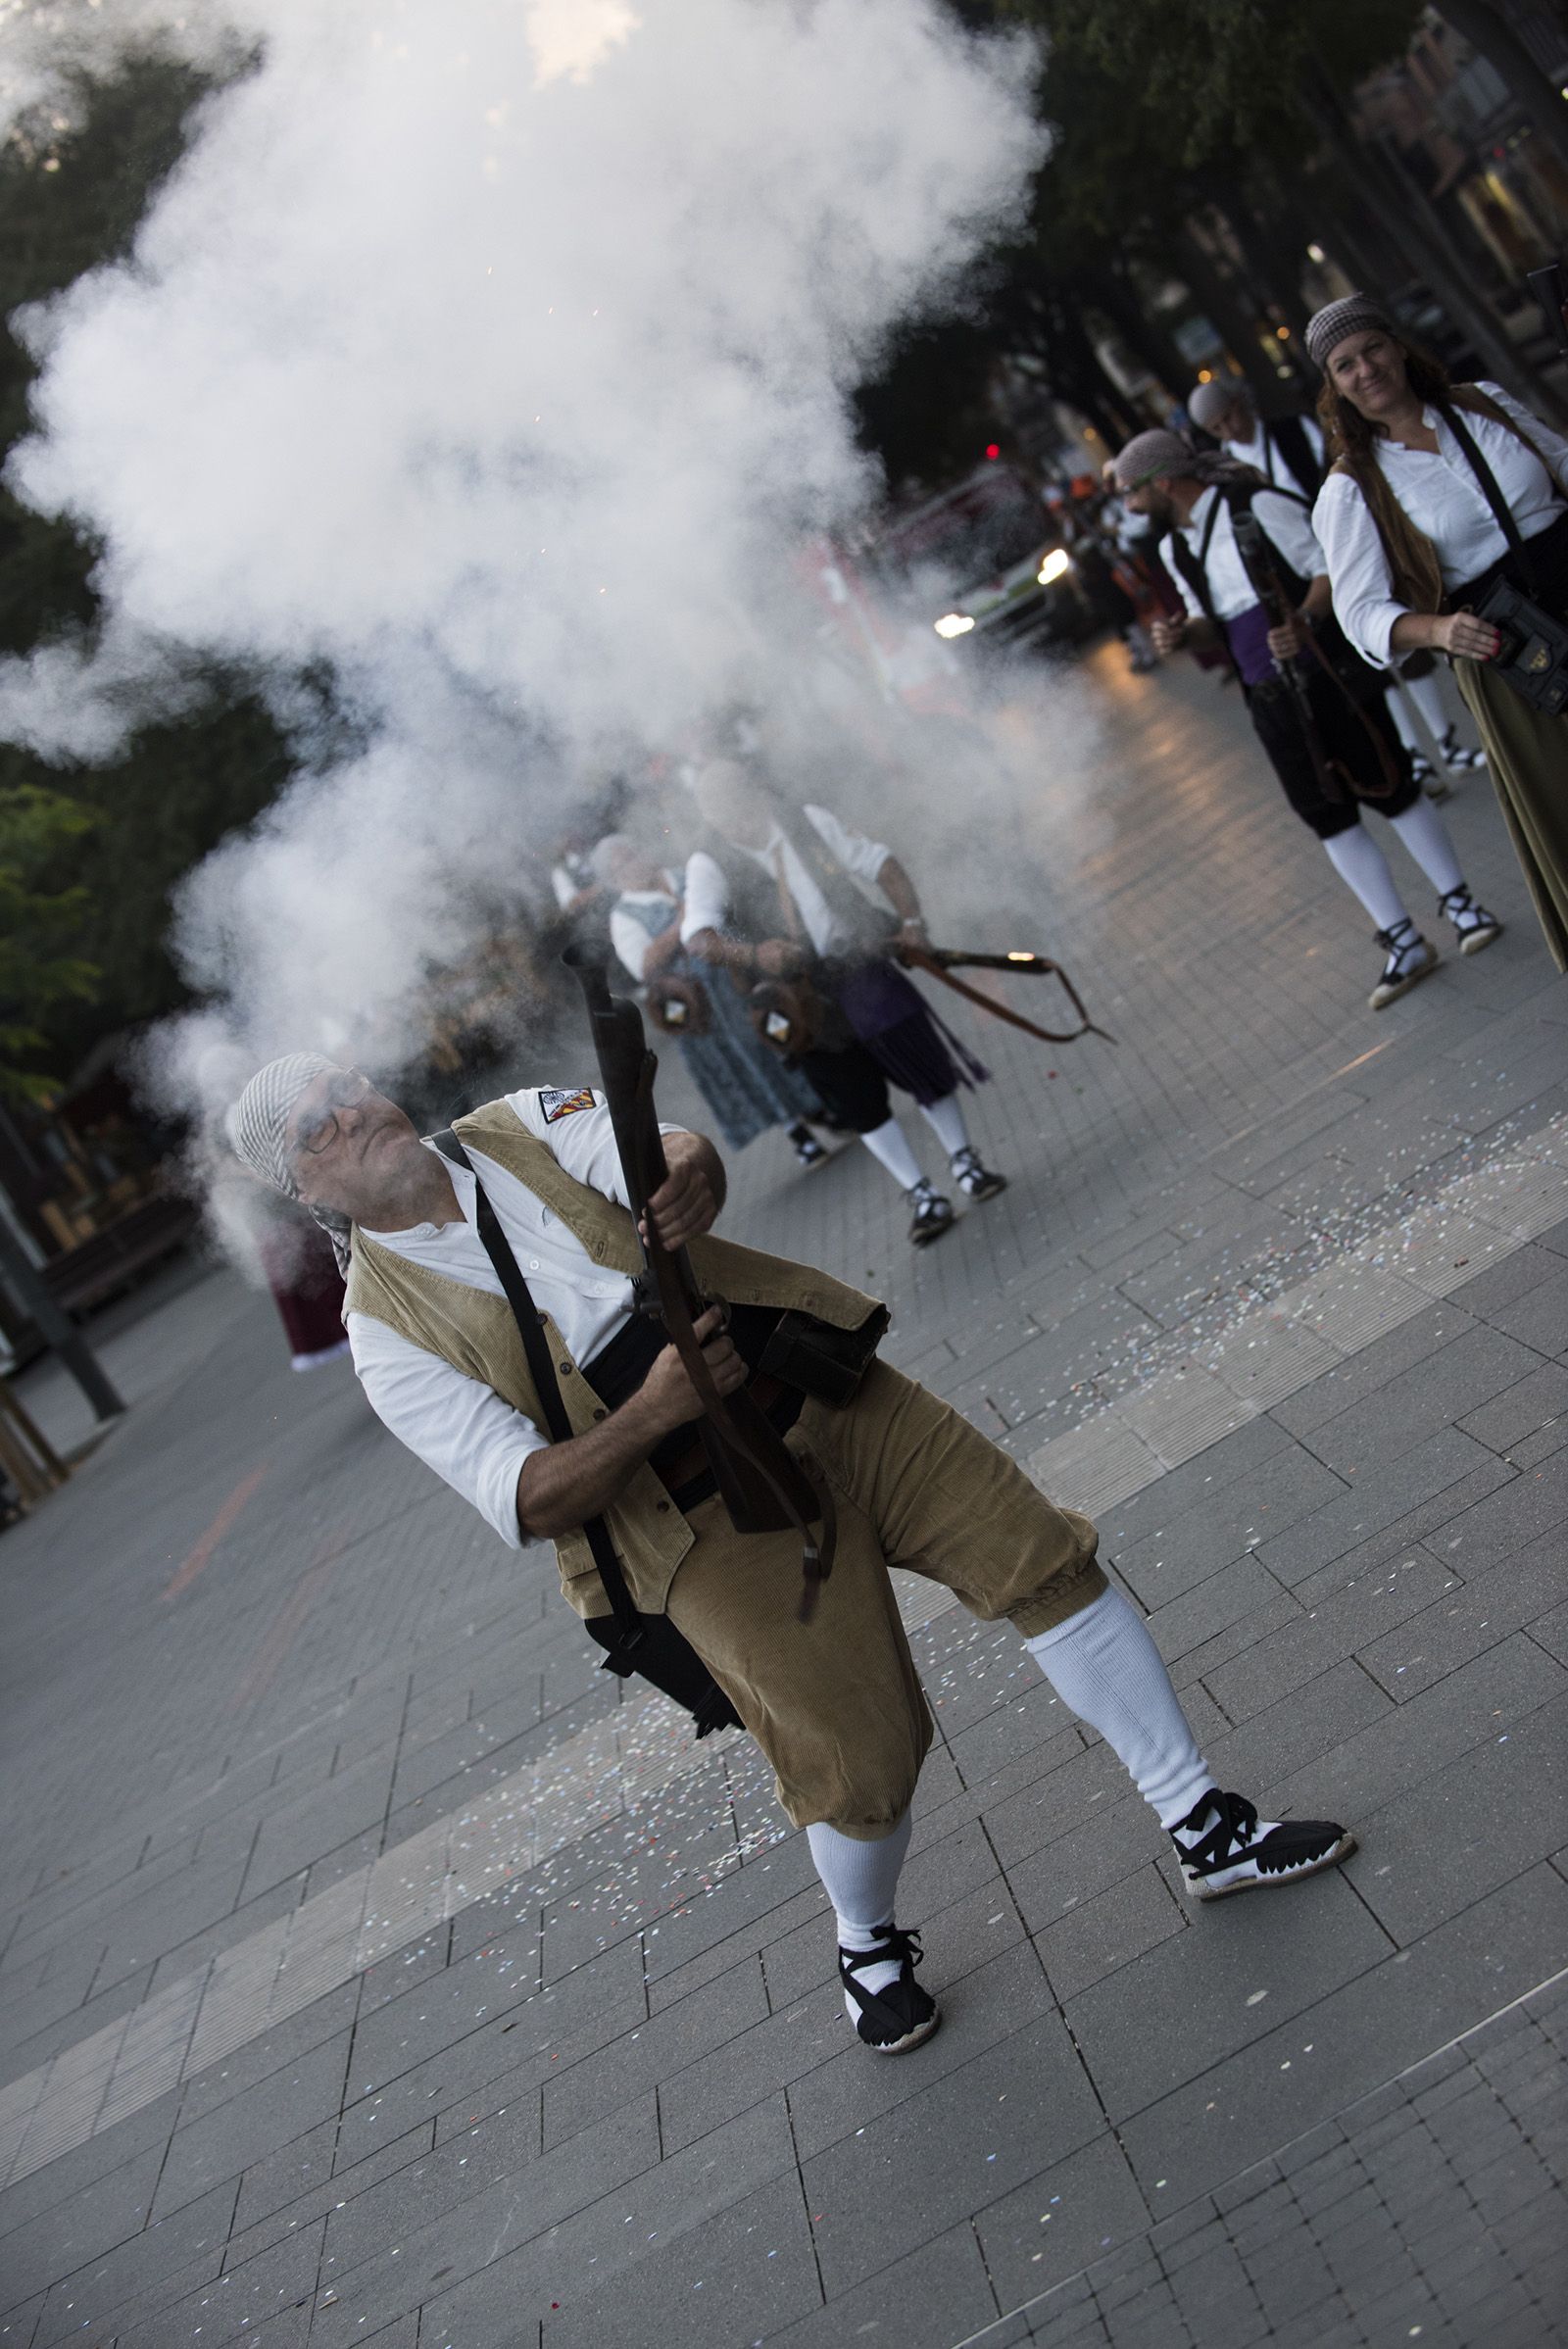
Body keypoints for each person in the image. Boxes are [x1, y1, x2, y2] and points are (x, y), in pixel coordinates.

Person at [229, 1054, 1358, 2056]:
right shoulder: (383, 1338)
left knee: (1042, 1560)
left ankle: (1203, 1823)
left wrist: (687, 1172)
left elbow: (660, 1150)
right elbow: (527, 1496)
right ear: (305, 1192)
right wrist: (656, 1411)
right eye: (314, 1130)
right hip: (695, 1514)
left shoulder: (518, 1120)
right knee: (860, 1765)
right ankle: (866, 1943)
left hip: (812, 1387)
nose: (348, 1116)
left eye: (344, 1090)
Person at [1112, 427, 1500, 1009]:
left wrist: (1305, 620)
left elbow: (1327, 567)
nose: (1129, 506)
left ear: (1162, 480)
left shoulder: (1256, 505)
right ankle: (1402, 939)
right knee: (1327, 816)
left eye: (1131, 492)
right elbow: (1207, 616)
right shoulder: (1175, 547)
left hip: (1327, 677)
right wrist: (1180, 633)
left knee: (1391, 784)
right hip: (1267, 698)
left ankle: (1462, 904)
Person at [1307, 293, 1568, 971]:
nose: (1366, 369)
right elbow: (1359, 613)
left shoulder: (1480, 403)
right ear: (1333, 387)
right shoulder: (1352, 486)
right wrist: (1439, 629)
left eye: (1372, 350)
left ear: (1397, 347)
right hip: (1513, 650)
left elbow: (1562, 465)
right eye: (1345, 365)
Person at [681, 761, 1007, 1246]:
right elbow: (698, 937)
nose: (725, 814)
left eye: (731, 797)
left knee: (925, 1066)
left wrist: (912, 923)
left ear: (753, 790)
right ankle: (921, 1195)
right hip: (800, 1001)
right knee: (858, 1102)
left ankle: (966, 1164)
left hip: (860, 965)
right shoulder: (707, 863)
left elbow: (881, 863)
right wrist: (753, 953)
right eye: (713, 805)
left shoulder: (807, 819)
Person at [1189, 374, 1486, 797]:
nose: (1230, 429)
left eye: (1231, 415)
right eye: (1217, 426)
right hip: (1308, 572)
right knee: (1368, 660)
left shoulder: (1293, 429)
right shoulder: (1224, 469)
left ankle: (1447, 741)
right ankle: (1413, 755)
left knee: (1407, 643)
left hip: (1354, 541)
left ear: (1243, 401)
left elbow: (1339, 473)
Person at [592, 833, 830, 1172]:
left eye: (633, 854)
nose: (634, 864)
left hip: (737, 983)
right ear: (614, 880)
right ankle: (796, 1131)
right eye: (622, 865)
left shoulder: (682, 874)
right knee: (744, 1063)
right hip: (702, 1009)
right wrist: (683, 921)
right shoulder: (624, 916)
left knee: (775, 1040)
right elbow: (643, 966)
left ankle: (813, 1104)